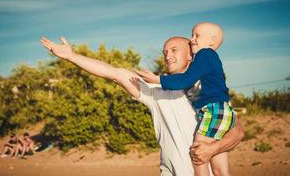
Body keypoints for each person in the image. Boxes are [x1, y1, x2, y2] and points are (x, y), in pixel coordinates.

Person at [40, 36, 244, 176]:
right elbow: (113, 72)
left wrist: (211, 150)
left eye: (174, 50)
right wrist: (72, 56)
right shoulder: (154, 90)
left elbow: (237, 133)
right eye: (165, 51)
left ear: (191, 56)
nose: (167, 55)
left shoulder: (208, 94)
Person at [135, 22, 235, 176]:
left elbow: (184, 80)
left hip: (214, 111)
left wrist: (156, 79)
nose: (192, 39)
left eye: (197, 35)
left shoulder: (205, 54)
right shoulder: (211, 59)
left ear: (211, 41)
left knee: (198, 154)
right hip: (223, 110)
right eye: (192, 34)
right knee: (220, 169)